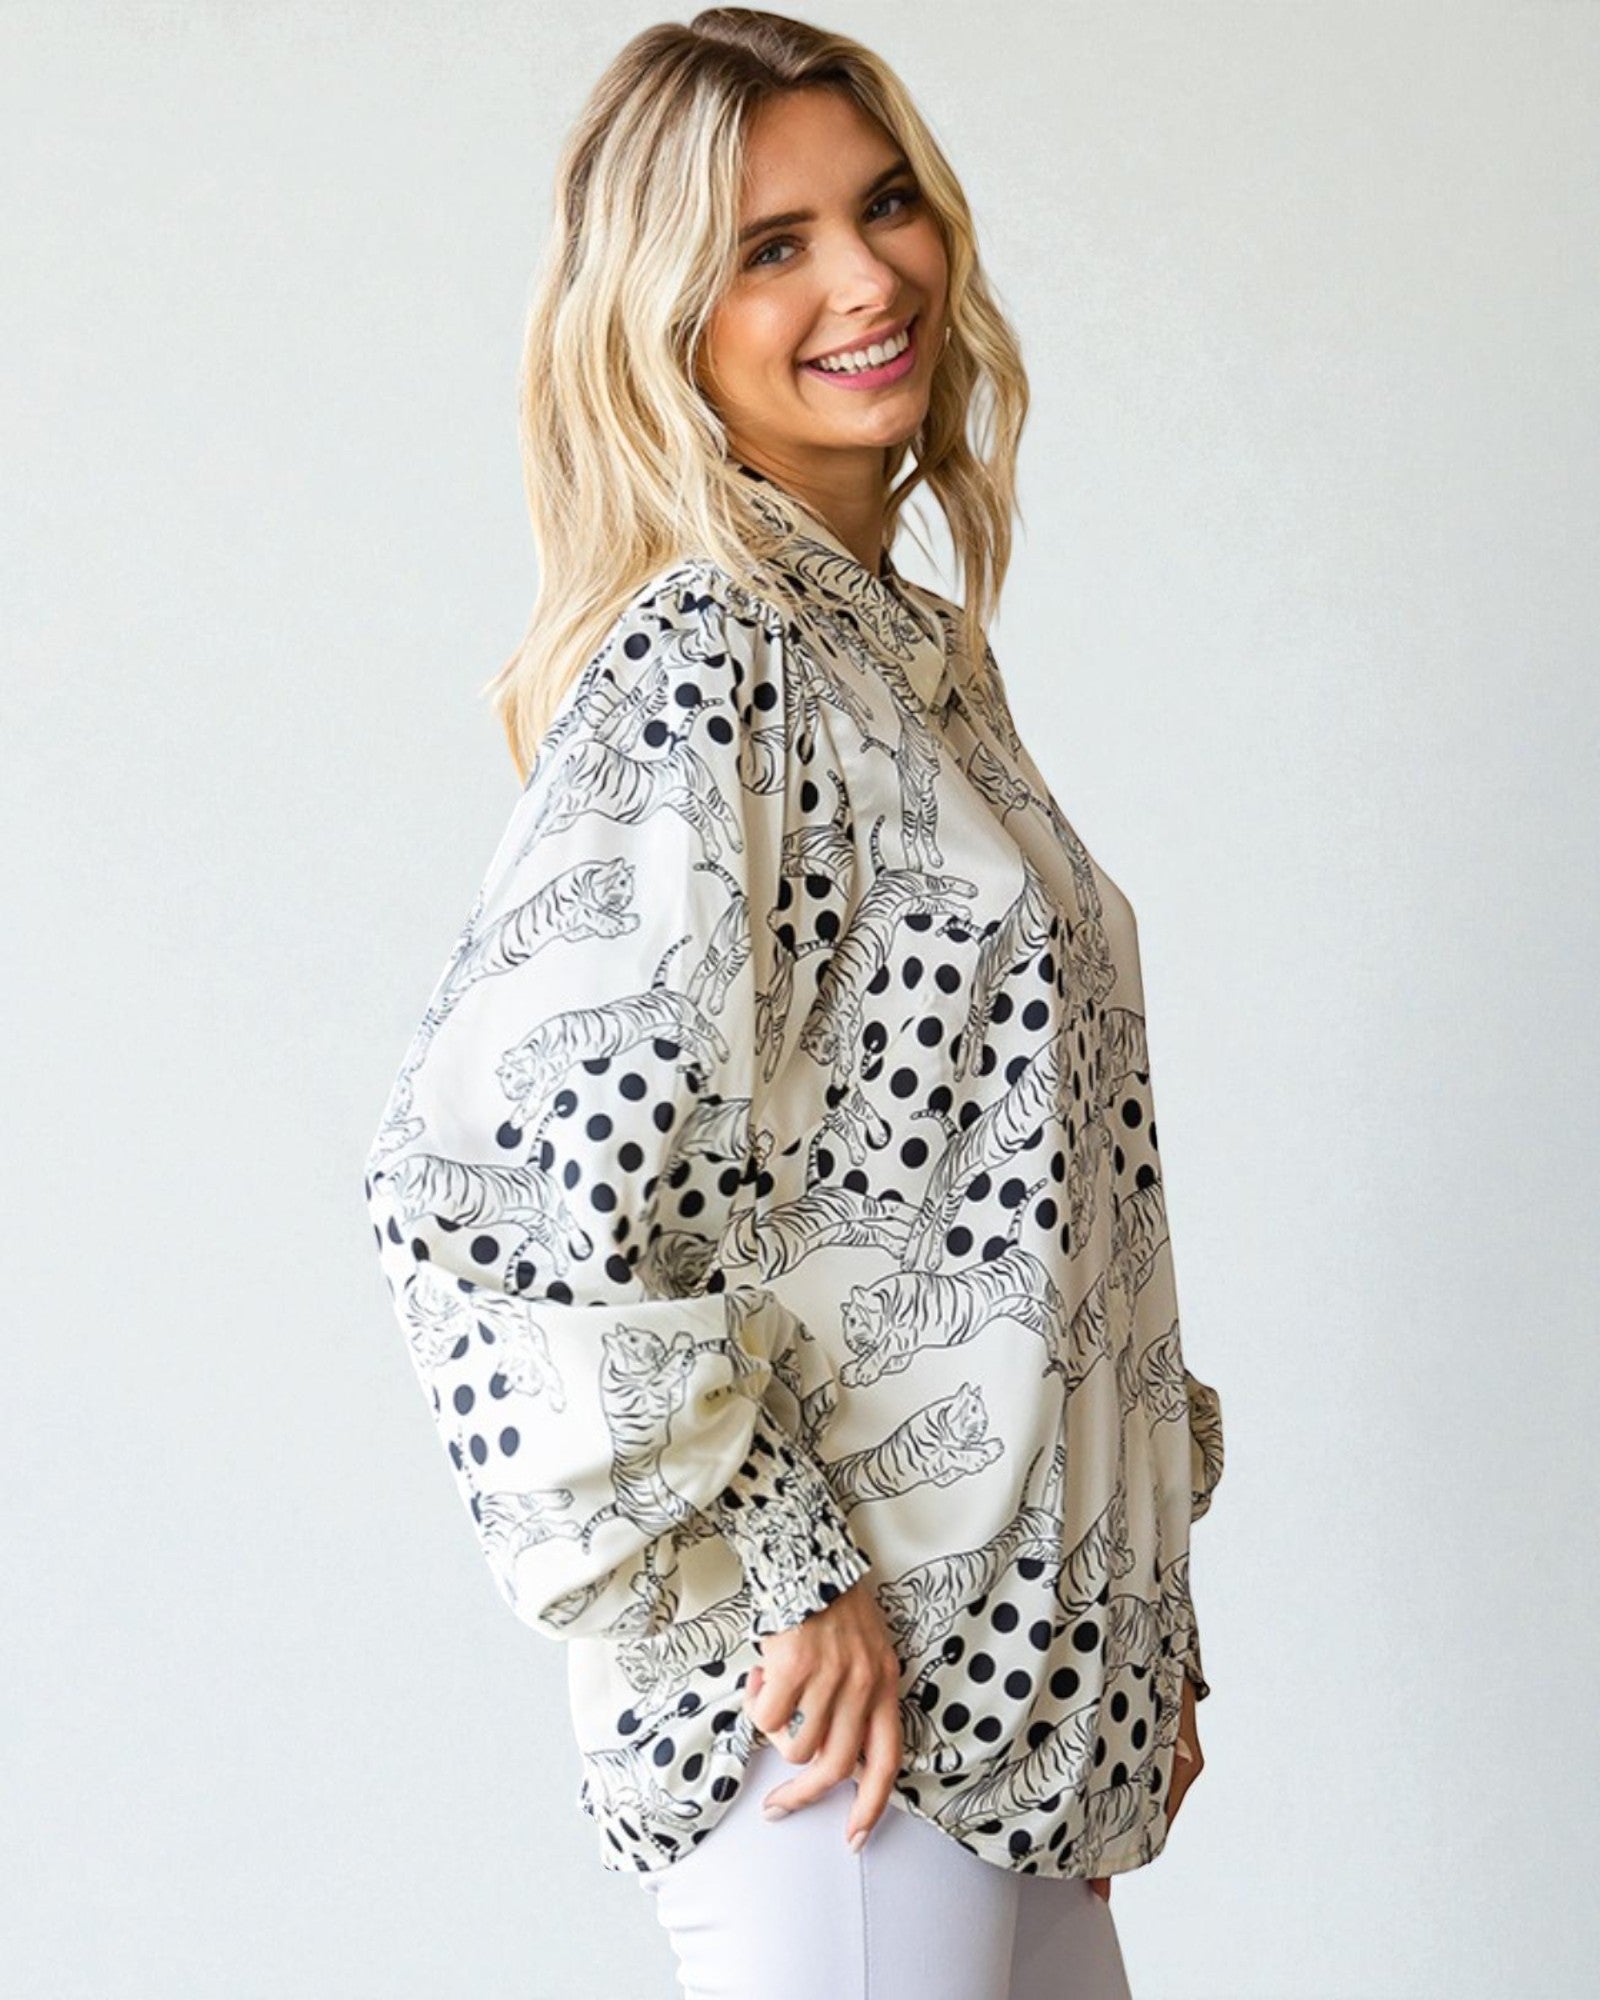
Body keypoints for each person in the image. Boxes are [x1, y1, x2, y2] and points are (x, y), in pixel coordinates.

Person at [360, 11, 1225, 1996]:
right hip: (838, 1744)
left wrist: (1127, 1617)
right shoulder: (708, 666)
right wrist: (775, 1566)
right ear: (661, 317)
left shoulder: (901, 661)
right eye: (770, 245)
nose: (863, 276)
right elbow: (486, 1199)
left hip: (1003, 1716)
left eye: (885, 203)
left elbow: (1017, 1197)